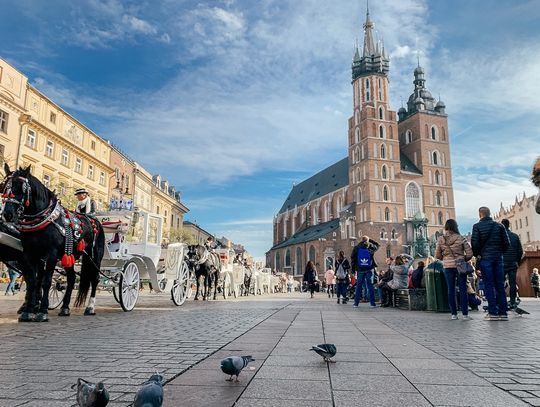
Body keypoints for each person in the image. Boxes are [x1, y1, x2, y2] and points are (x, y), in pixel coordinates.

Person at [471, 206, 510, 321]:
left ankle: (492, 312)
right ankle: (503, 312)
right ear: (489, 214)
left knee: (488, 285)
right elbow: (507, 243)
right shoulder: (499, 226)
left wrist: (479, 254)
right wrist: (499, 252)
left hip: (485, 259)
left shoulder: (477, 226)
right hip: (498, 258)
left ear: (480, 214)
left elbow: (475, 244)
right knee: (500, 285)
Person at [435, 219, 474, 320]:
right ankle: (465, 314)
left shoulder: (441, 239)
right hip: (460, 266)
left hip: (448, 267)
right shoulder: (461, 238)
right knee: (463, 289)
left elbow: (437, 256)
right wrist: (462, 259)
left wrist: (446, 258)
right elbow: (469, 253)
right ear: (455, 226)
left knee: (450, 289)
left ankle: (454, 314)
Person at [501, 219, 524, 309]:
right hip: (513, 263)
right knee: (512, 283)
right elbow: (520, 251)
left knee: (501, 283)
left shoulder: (499, 237)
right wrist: (517, 261)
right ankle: (513, 301)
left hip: (502, 263)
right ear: (509, 225)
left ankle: (502, 301)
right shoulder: (515, 236)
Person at [351, 235, 379, 308]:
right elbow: (378, 245)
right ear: (367, 240)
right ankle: (372, 304)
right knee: (370, 286)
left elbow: (353, 259)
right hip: (369, 269)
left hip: (360, 269)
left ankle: (356, 303)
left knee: (359, 286)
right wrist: (370, 240)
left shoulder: (357, 248)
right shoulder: (371, 247)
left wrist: (353, 270)